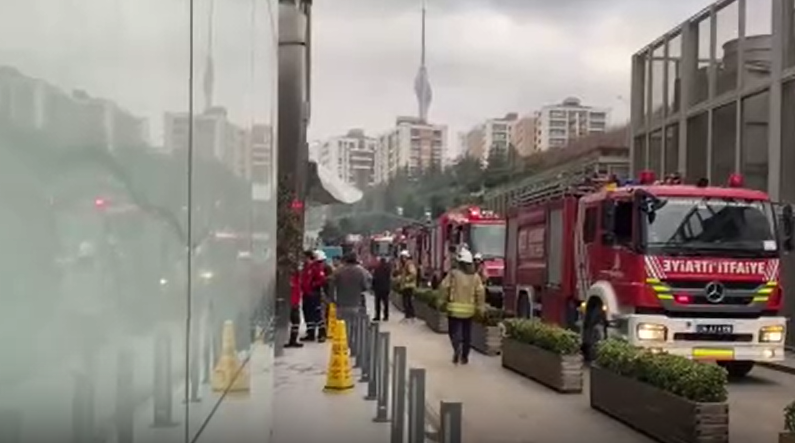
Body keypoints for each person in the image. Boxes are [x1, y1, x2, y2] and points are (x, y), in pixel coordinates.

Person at [438, 248, 485, 365]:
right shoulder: (475, 277)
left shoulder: (453, 274)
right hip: (469, 311)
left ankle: (456, 348)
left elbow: (444, 287)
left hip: (454, 309)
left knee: (453, 332)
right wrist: (480, 308)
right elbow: (480, 292)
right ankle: (465, 357)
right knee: (467, 334)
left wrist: (441, 302)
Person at [330, 252, 371, 348]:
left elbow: (331, 284)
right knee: (354, 327)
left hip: (341, 303)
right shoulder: (361, 271)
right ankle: (353, 346)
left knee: (342, 326)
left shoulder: (338, 271)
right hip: (355, 303)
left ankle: (343, 345)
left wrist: (332, 299)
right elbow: (366, 286)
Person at [300, 250, 327, 343]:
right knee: (308, 313)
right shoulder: (306, 268)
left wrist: (313, 285)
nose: (303, 259)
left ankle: (322, 333)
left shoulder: (316, 267)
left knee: (316, 314)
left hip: (314, 294)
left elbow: (322, 279)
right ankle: (310, 333)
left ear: (308, 257)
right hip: (306, 294)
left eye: (304, 257)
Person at [393, 250, 418, 323]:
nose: (402, 259)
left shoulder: (409, 264)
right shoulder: (405, 265)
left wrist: (406, 279)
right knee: (407, 301)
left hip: (408, 286)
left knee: (407, 301)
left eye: (402, 257)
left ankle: (409, 317)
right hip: (406, 286)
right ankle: (410, 316)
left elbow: (413, 273)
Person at [284, 269, 304, 348]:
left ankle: (293, 340)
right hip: (292, 304)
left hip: (294, 304)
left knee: (295, 323)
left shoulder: (295, 280)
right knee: (295, 322)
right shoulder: (293, 281)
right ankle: (292, 341)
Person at [372, 256, 392, 322]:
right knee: (385, 302)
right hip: (385, 288)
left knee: (377, 303)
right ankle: (386, 316)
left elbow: (374, 278)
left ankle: (377, 316)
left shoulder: (377, 268)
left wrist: (373, 287)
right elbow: (389, 278)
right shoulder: (388, 269)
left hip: (378, 288)